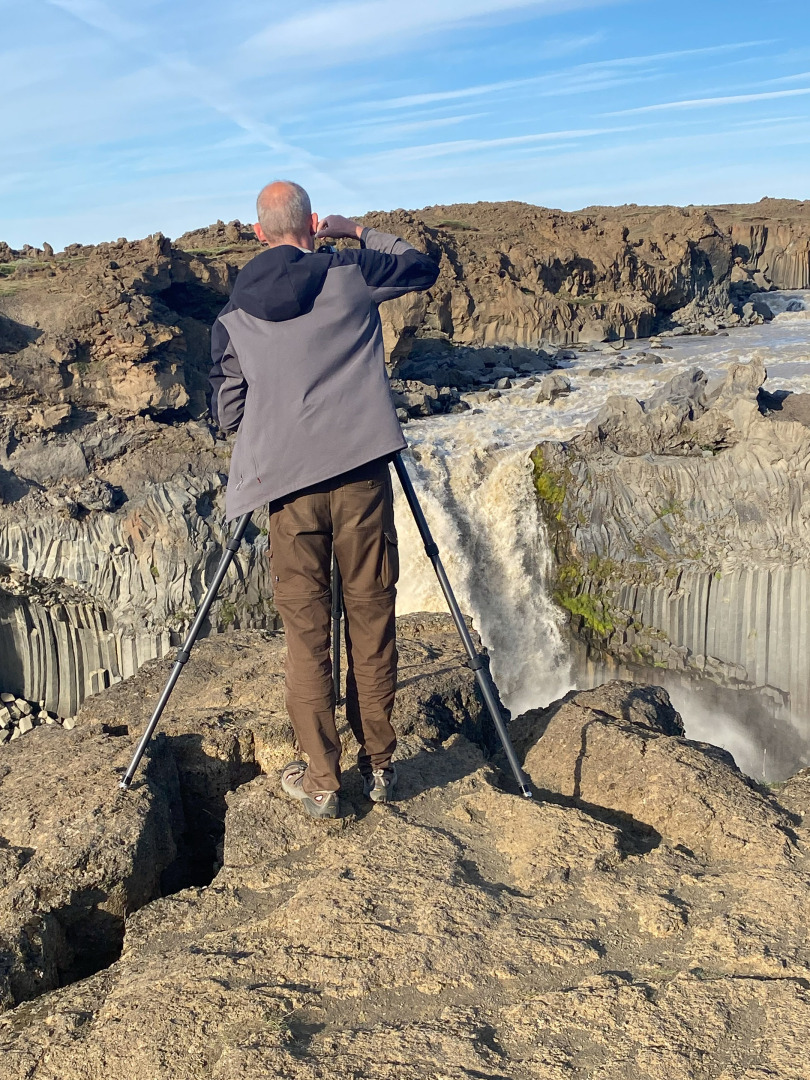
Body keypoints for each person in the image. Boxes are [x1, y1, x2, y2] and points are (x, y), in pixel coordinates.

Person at [209, 180, 440, 819]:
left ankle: (321, 781)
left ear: (257, 233)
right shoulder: (349, 272)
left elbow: (226, 412)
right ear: (311, 223)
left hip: (288, 491)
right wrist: (355, 230)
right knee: (369, 613)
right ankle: (380, 766)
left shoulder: (232, 317)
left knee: (308, 632)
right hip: (362, 475)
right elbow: (421, 265)